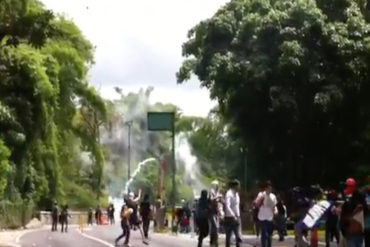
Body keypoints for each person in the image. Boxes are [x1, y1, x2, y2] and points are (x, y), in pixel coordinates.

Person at [254, 181, 277, 247]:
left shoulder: (273, 196)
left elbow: (274, 206)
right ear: (266, 188)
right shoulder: (261, 194)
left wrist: (275, 214)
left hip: (270, 218)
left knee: (269, 236)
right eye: (269, 188)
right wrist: (261, 199)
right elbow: (256, 204)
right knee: (264, 235)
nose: (270, 190)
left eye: (271, 188)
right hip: (262, 218)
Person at [225, 179, 242, 247]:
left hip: (237, 217)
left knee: (238, 236)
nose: (239, 187)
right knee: (228, 236)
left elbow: (237, 206)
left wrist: (238, 216)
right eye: (238, 186)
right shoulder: (229, 194)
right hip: (230, 218)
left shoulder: (237, 194)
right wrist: (233, 215)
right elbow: (227, 206)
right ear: (235, 186)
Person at [209, 180, 222, 247]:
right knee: (215, 226)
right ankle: (215, 242)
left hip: (217, 211)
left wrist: (221, 199)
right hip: (212, 211)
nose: (217, 186)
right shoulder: (211, 191)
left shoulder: (218, 192)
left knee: (215, 227)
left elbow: (220, 201)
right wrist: (217, 197)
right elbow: (211, 199)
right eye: (216, 185)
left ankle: (212, 241)